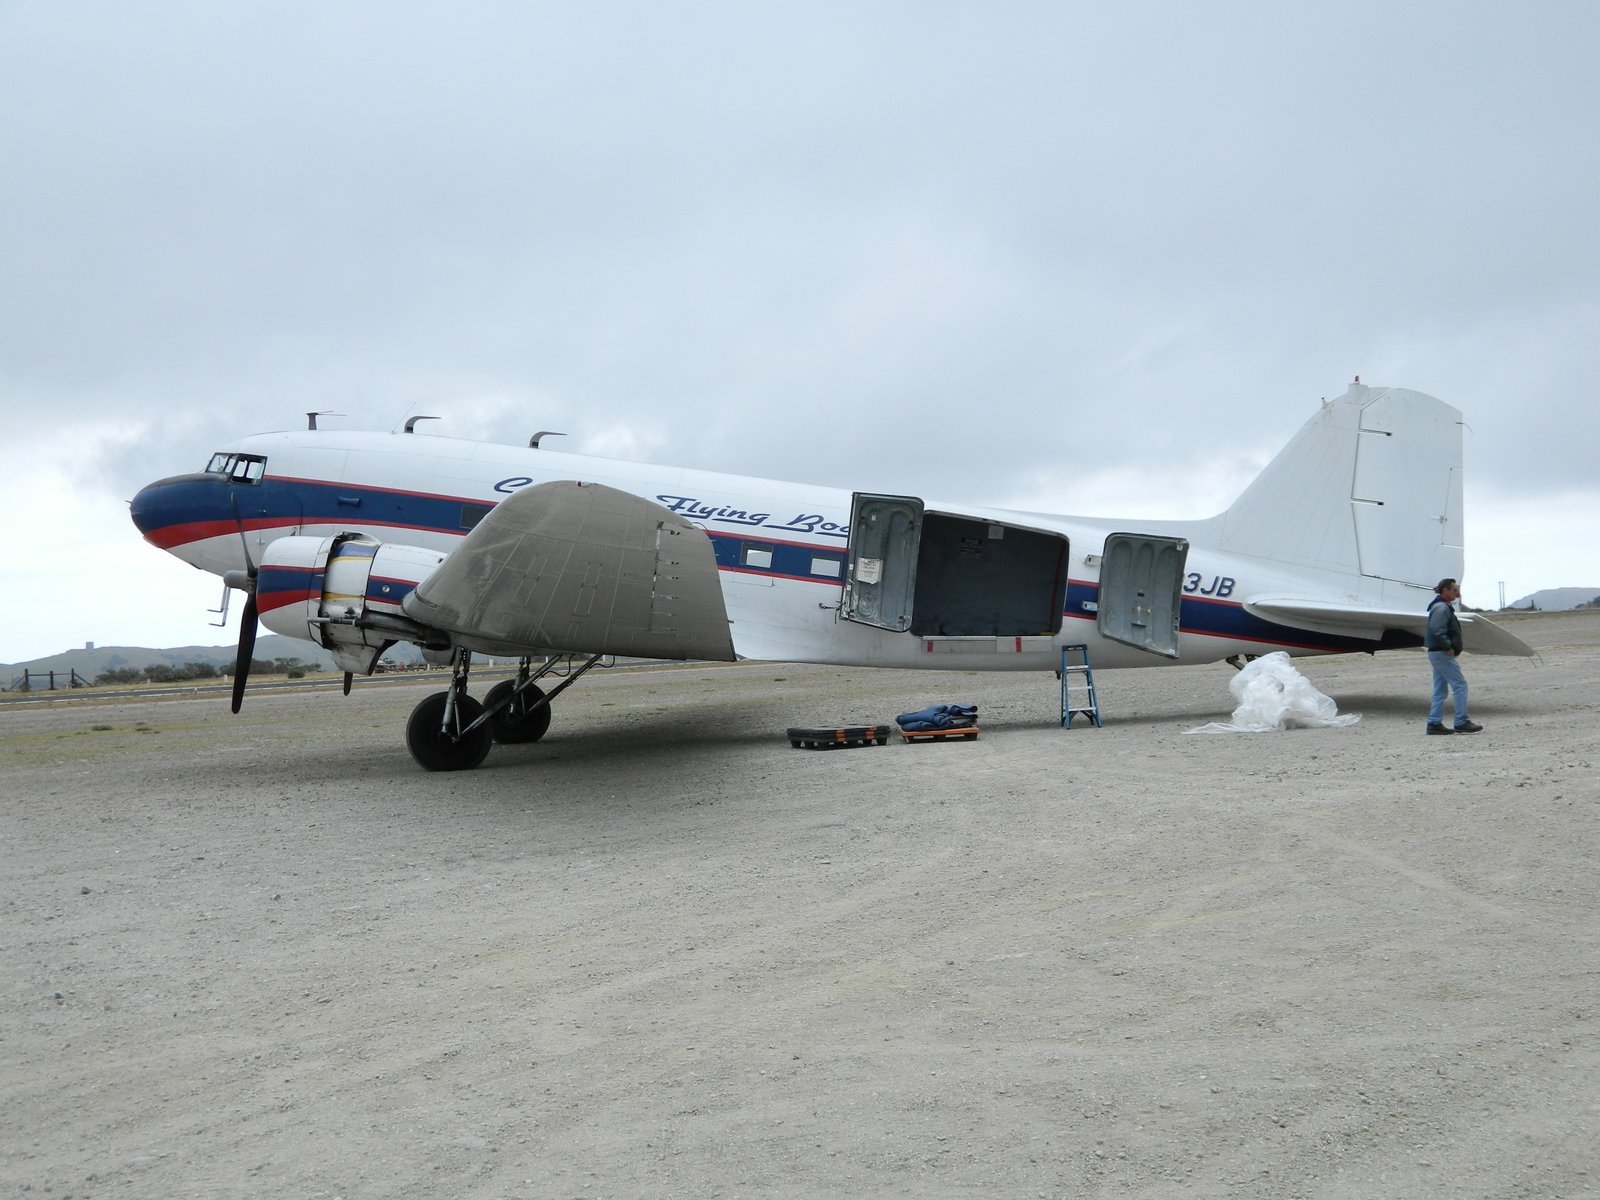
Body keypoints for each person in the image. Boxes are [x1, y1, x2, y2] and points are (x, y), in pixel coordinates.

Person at [1425, 578, 1482, 735]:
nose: (1458, 593)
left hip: (1437, 653)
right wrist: (1447, 646)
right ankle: (1461, 721)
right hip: (1442, 653)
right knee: (1460, 686)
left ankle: (1434, 723)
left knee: (1440, 690)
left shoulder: (1440, 607)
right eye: (1454, 590)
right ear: (1445, 591)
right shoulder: (1442, 608)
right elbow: (1437, 630)